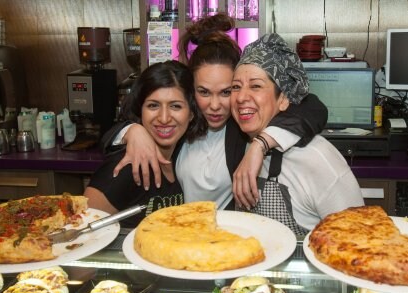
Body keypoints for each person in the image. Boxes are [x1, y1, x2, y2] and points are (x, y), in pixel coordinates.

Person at [105, 13, 327, 210]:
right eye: (204, 92)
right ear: (191, 90)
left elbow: (313, 108)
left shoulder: (244, 127)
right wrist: (133, 131)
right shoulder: (183, 124)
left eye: (226, 92)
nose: (214, 105)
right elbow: (114, 129)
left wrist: (258, 146)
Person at [230, 33, 364, 235]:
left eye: (256, 86)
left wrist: (260, 144)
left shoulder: (317, 158)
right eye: (235, 87)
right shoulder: (237, 141)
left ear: (283, 99)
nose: (241, 97)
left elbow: (359, 239)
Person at [84, 60, 206, 228]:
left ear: (191, 114)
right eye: (153, 105)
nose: (164, 118)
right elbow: (81, 231)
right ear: (140, 109)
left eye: (176, 106)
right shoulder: (126, 167)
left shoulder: (181, 156)